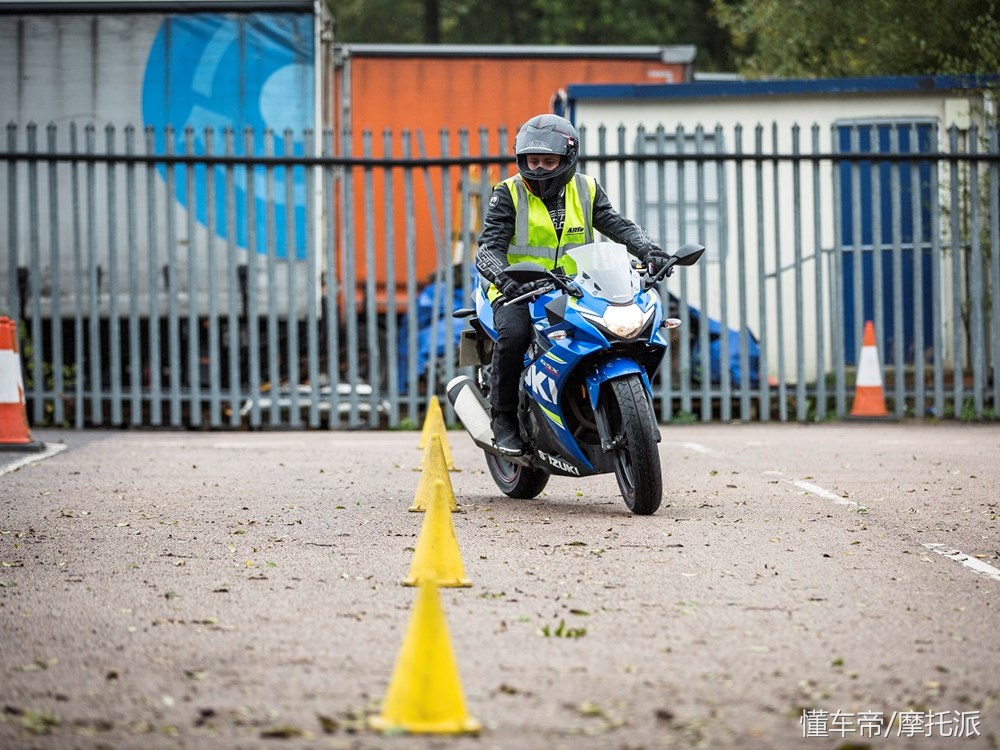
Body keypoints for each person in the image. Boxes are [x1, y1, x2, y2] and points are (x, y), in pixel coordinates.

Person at [475, 113, 672, 455]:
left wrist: (649, 250)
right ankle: (503, 418)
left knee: (614, 331)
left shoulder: (586, 188)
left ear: (567, 159)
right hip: (518, 289)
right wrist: (505, 279)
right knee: (515, 335)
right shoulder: (508, 193)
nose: (538, 169)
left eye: (548, 161)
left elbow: (618, 225)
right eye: (532, 161)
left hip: (576, 286)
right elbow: (488, 248)